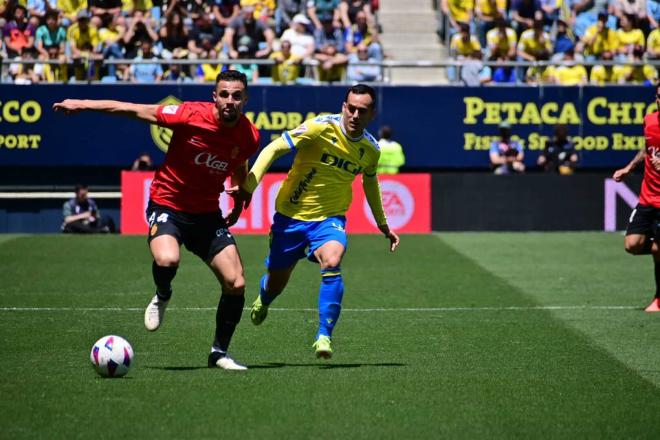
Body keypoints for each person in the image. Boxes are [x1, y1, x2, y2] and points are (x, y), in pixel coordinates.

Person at [52, 70, 261, 369]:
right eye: (224, 94)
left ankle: (219, 353)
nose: (230, 100)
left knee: (236, 282)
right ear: (214, 96)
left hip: (207, 214)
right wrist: (81, 103)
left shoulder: (249, 135)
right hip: (168, 204)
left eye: (237, 95)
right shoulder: (189, 114)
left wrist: (240, 200)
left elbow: (240, 164)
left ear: (245, 99)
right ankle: (163, 293)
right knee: (167, 261)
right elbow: (133, 109)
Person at [229, 84, 400, 359]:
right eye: (351, 108)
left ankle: (324, 336)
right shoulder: (320, 128)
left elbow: (370, 182)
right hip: (290, 218)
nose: (355, 115)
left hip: (330, 219)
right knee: (276, 282)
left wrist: (382, 223)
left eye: (362, 111)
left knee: (332, 261)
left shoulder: (371, 149)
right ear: (344, 107)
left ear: (372, 114)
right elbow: (273, 149)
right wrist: (249, 186)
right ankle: (265, 298)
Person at [612, 83, 660, 312]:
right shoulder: (650, 121)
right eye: (659, 97)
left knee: (657, 250)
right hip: (647, 198)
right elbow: (647, 148)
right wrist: (629, 168)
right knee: (632, 244)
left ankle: (659, 299)